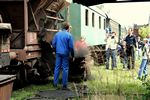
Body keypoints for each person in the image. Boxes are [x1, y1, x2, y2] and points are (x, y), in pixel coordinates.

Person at [52, 22, 74, 90]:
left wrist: (55, 50)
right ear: (67, 28)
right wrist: (72, 55)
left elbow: (53, 44)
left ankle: (55, 84)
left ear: (62, 27)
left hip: (58, 53)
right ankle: (64, 85)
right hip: (65, 54)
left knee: (57, 67)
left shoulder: (57, 34)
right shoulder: (69, 35)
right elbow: (71, 47)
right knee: (65, 68)